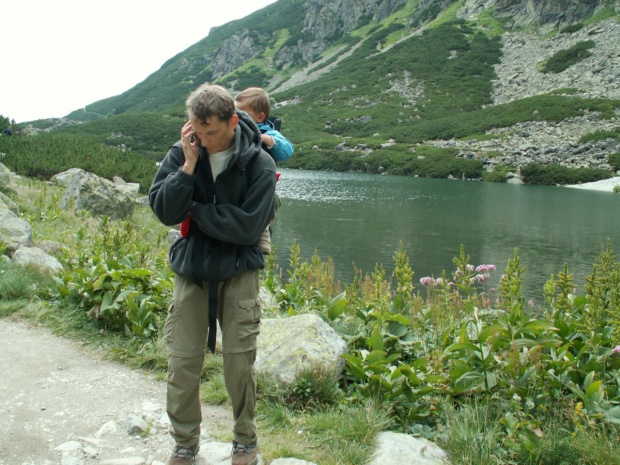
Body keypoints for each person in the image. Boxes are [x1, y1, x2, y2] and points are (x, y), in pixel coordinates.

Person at [149, 83, 277, 465]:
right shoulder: (183, 152)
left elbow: (249, 229)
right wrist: (187, 169)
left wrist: (199, 212)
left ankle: (245, 440)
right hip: (192, 267)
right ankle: (185, 442)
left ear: (233, 122)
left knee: (239, 361)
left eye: (211, 132)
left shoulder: (259, 163)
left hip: (240, 269)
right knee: (182, 360)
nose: (202, 140)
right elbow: (164, 211)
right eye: (196, 132)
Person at [234, 87, 293, 254]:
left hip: (261, 182)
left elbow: (287, 150)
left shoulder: (269, 131)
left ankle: (263, 231)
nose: (237, 116)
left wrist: (267, 140)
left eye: (242, 112)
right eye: (234, 111)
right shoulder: (233, 128)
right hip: (239, 179)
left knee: (272, 200)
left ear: (260, 117)